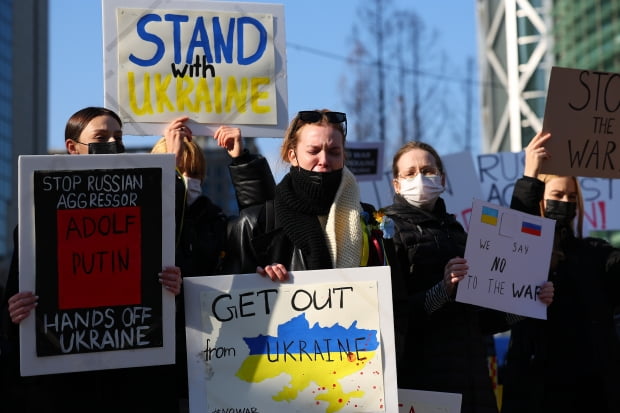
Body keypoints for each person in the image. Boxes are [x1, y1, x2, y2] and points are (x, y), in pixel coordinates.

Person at [0, 107, 183, 413]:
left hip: (132, 377)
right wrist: (14, 312)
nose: (113, 143)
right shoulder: (36, 224)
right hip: (66, 383)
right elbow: (15, 303)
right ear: (73, 148)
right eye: (101, 137)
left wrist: (174, 286)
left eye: (118, 137)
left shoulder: (152, 217)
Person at [381, 141, 554, 413]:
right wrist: (442, 291)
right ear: (396, 185)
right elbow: (392, 315)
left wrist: (527, 302)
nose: (421, 178)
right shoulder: (388, 233)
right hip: (424, 386)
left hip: (473, 382)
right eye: (410, 173)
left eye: (427, 170)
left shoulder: (460, 233)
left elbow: (479, 320)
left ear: (442, 178)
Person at [150, 125, 275, 410]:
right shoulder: (143, 224)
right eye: (177, 170)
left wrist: (242, 159)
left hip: (210, 359)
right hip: (155, 366)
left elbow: (261, 217)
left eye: (193, 173)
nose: (186, 180)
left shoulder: (218, 224)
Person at [501, 131, 620, 413]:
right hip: (537, 387)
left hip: (590, 390)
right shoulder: (526, 253)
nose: (564, 201)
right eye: (557, 194)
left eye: (571, 196)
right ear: (540, 198)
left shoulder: (596, 254)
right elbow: (516, 230)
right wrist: (531, 173)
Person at [224, 109, 387, 280]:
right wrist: (261, 281)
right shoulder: (254, 223)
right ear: (292, 156)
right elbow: (232, 296)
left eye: (334, 152)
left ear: (344, 156)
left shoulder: (370, 220)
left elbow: (391, 295)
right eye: (313, 151)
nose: (324, 160)